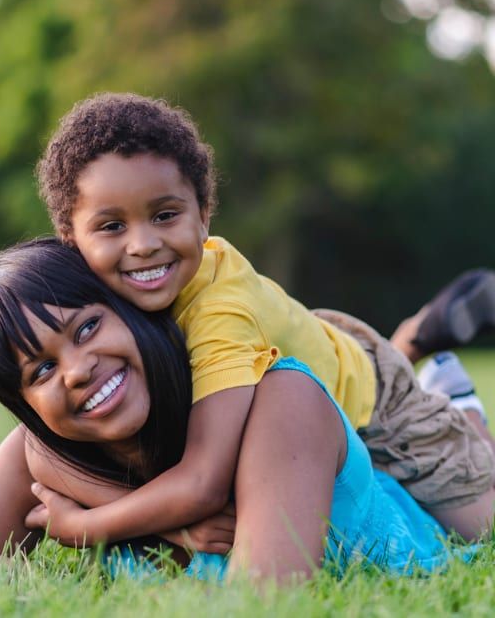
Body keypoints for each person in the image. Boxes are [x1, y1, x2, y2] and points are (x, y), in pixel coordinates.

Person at [29, 92, 495, 545]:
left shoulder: (219, 314)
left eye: (166, 215)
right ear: (69, 237)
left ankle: (460, 409)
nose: (143, 244)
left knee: (482, 530)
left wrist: (86, 526)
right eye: (112, 226)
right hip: (301, 339)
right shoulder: (97, 306)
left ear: (204, 215)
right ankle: (411, 345)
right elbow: (35, 446)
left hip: (378, 412)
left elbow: (202, 483)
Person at [0, 238, 470, 581]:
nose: (76, 370)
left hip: (392, 461)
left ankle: (452, 397)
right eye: (39, 371)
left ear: (134, 308)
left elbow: (259, 602)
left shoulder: (282, 403)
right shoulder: (44, 457)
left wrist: (86, 529)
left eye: (88, 326)